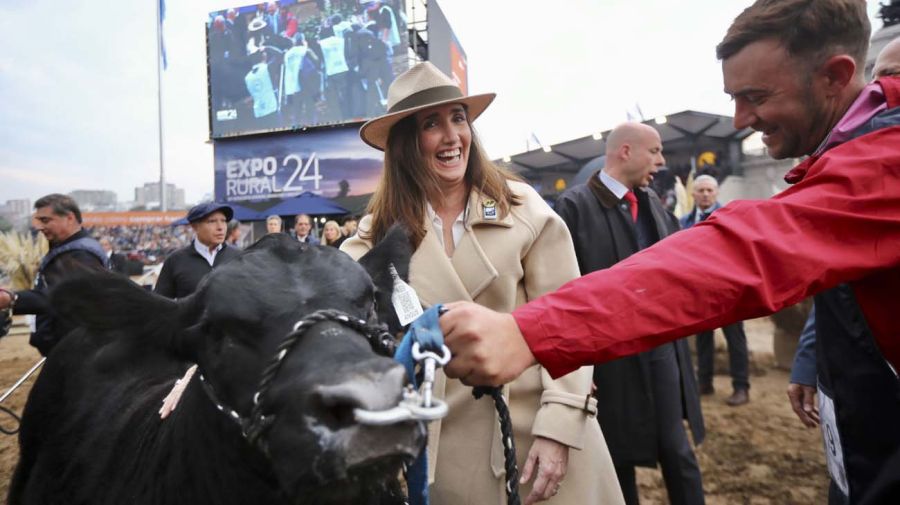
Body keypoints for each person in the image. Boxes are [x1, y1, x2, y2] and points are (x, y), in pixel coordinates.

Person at [438, 2, 900, 503]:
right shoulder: (857, 153)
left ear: (835, 77)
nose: (742, 119)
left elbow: (737, 255)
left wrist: (528, 331)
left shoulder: (885, 164)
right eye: (734, 98)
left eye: (756, 96)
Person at [342, 61, 623, 505]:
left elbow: (571, 323)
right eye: (431, 124)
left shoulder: (524, 210)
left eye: (458, 118)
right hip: (438, 453)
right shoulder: (373, 241)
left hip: (540, 439)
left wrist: (562, 425)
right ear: (403, 145)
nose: (452, 136)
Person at [555, 122, 704, 505]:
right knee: (615, 456)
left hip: (660, 346)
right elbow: (561, 289)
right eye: (654, 151)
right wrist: (577, 366)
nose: (661, 160)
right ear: (626, 151)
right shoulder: (574, 207)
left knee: (677, 448)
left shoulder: (652, 201)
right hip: (609, 358)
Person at [0, 194, 107, 355]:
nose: (39, 227)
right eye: (38, 221)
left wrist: (13, 299)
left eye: (46, 220)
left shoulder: (81, 255)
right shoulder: (67, 249)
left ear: (69, 218)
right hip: (68, 349)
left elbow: (66, 297)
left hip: (78, 353)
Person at [680, 174, 750, 406]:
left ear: (717, 192)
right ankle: (704, 383)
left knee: (735, 340)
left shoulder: (731, 217)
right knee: (703, 340)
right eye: (701, 190)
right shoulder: (684, 222)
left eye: (710, 190)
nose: (706, 194)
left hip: (728, 291)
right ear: (693, 194)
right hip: (700, 292)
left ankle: (741, 387)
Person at [154, 203, 240, 299]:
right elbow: (161, 303)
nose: (220, 227)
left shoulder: (239, 257)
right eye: (212, 221)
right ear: (195, 226)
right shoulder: (175, 260)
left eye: (223, 221)